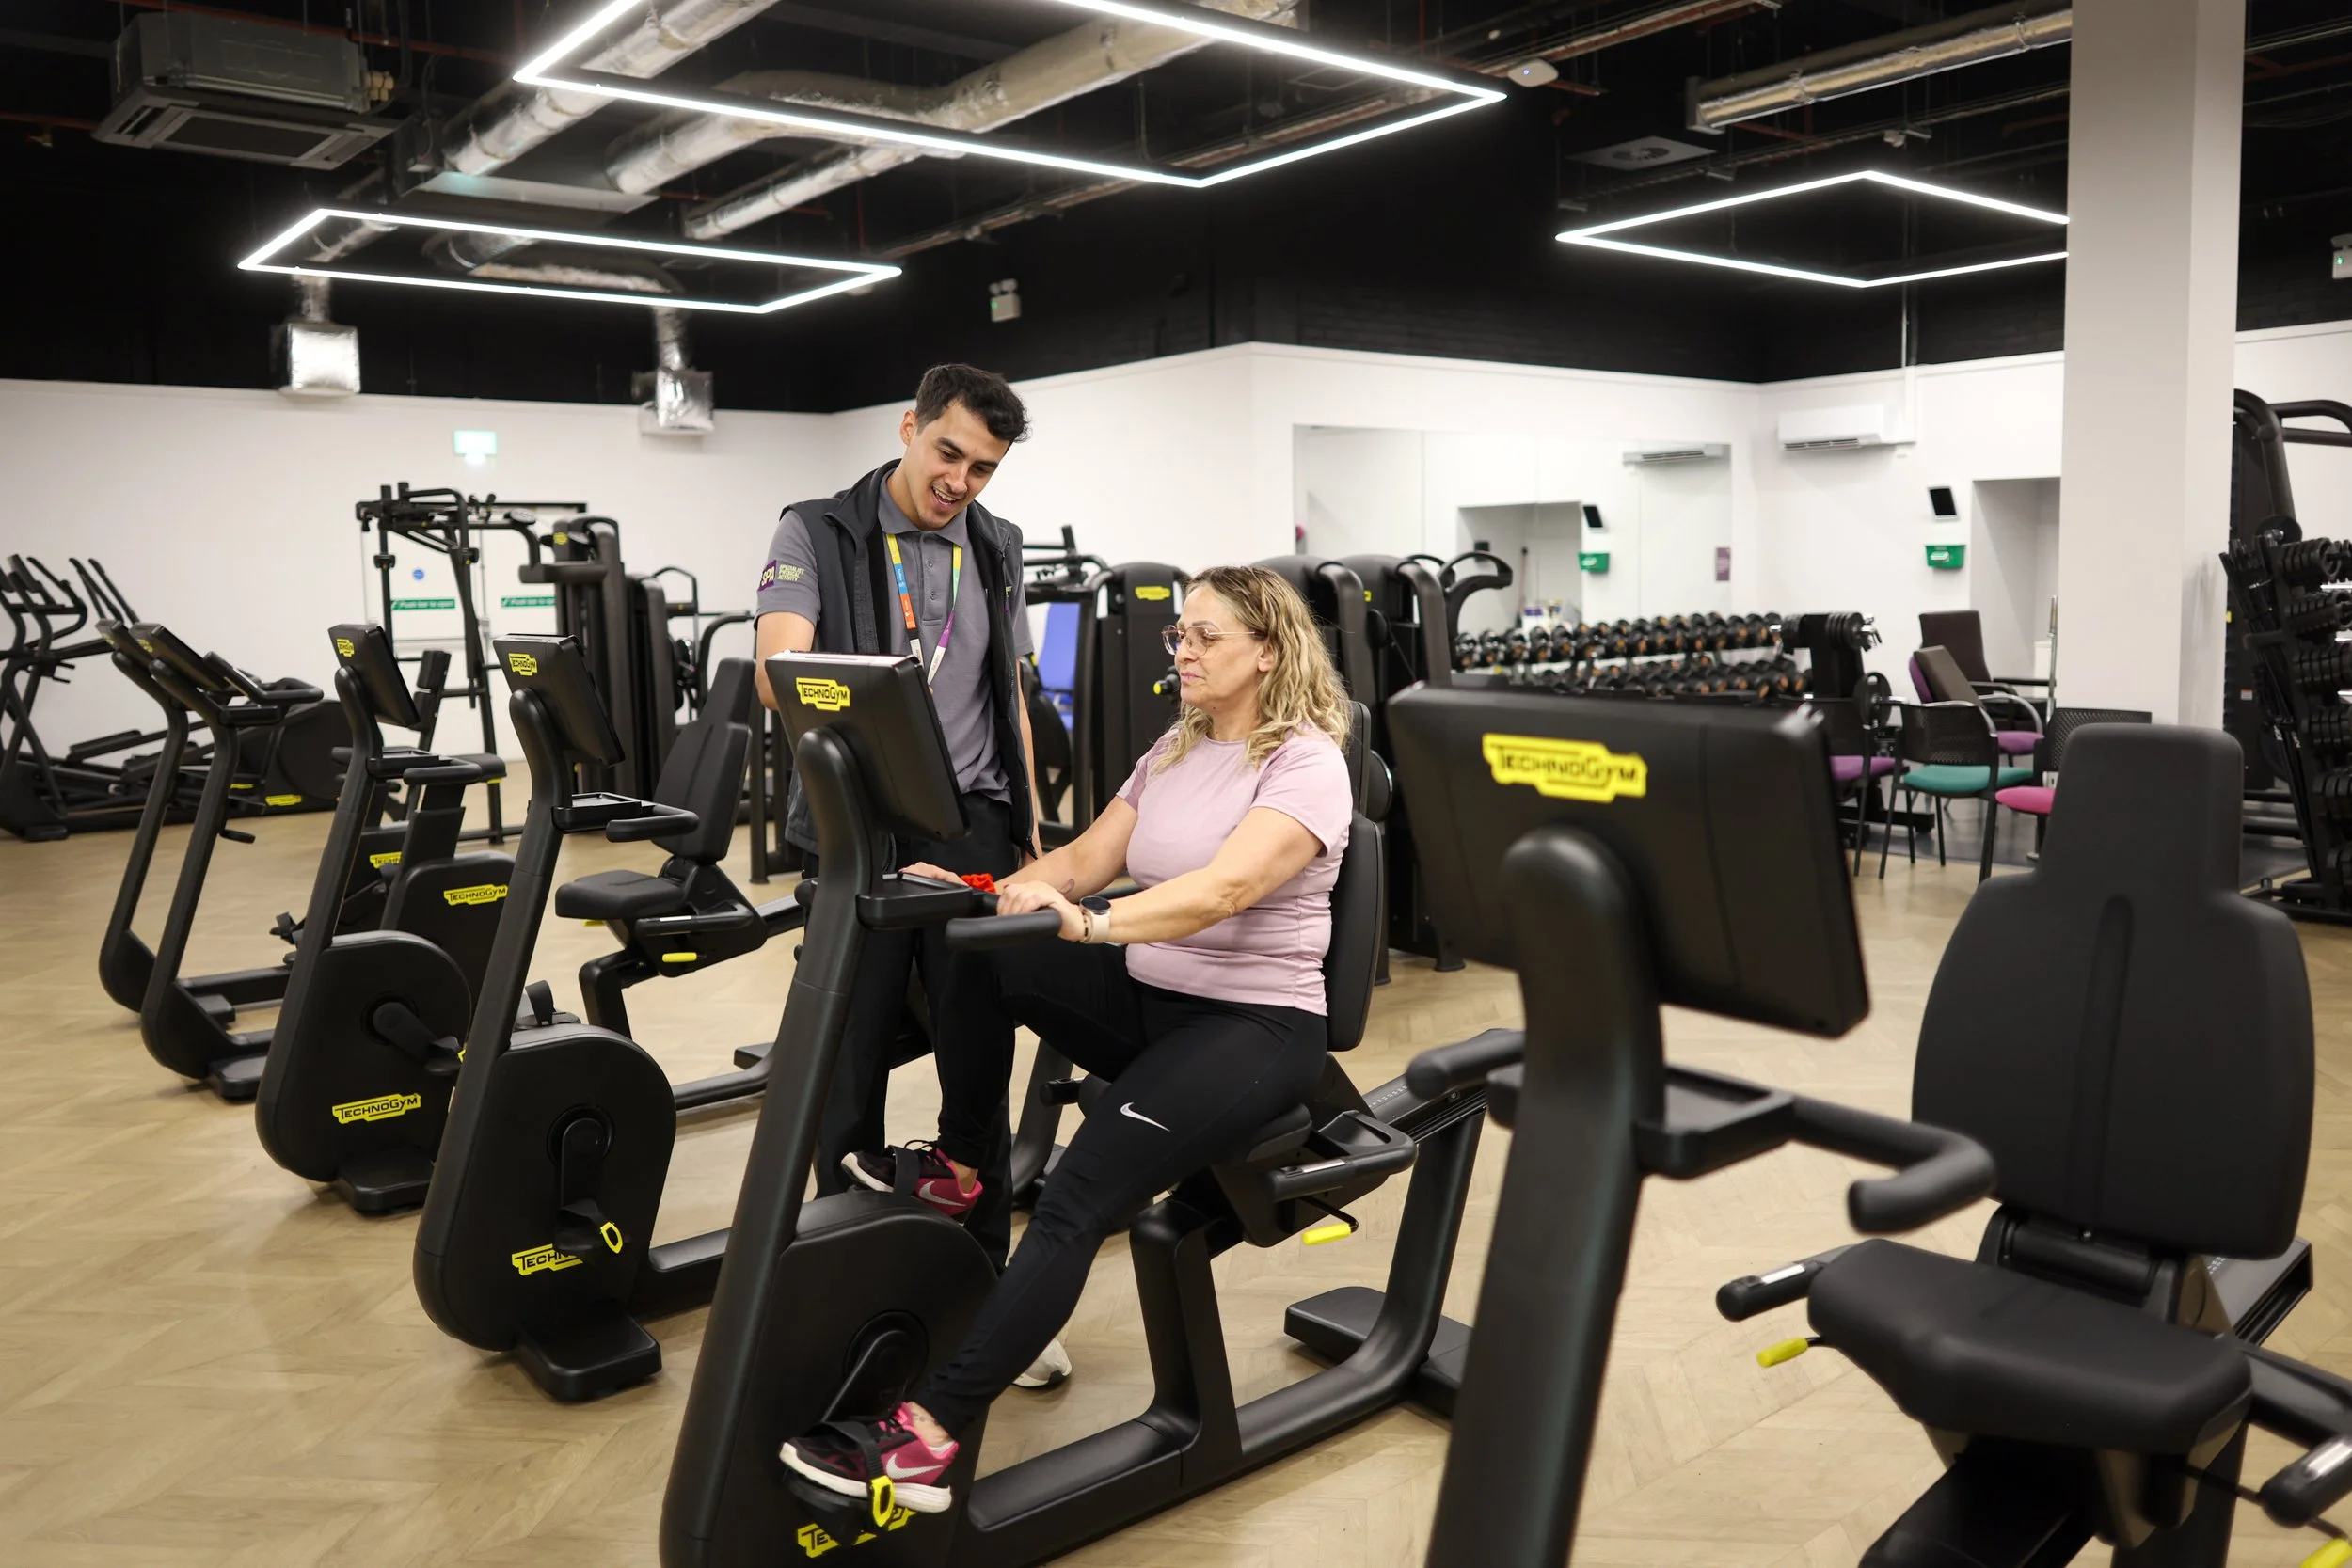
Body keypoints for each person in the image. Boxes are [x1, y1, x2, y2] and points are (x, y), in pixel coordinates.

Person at [780, 565, 1357, 1513]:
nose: (1183, 648)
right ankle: (967, 1160)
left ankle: (925, 1439)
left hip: (1253, 1025)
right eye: (1180, 632)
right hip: (1149, 999)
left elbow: (1224, 889)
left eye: (1206, 635)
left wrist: (1086, 923)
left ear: (1267, 648)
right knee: (978, 943)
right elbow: (1087, 859)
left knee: (1078, 1196)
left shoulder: (1304, 762)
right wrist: (983, 890)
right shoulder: (1174, 748)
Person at [753, 363, 1062, 1381]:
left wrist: (1029, 829)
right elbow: (776, 665)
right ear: (909, 427)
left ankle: (984, 1296)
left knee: (978, 1058)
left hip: (972, 825)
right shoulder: (818, 529)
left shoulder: (998, 546)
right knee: (848, 1066)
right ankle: (842, 1291)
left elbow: (1004, 688)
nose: (961, 481)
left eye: (983, 467)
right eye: (948, 453)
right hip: (860, 830)